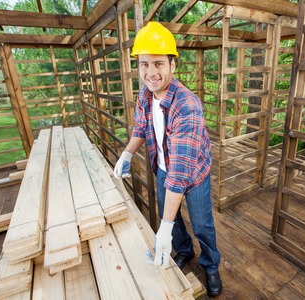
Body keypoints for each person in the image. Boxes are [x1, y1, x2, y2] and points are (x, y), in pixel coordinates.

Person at [114, 22, 222, 297]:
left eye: (158, 64)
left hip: (193, 172)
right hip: (163, 168)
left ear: (173, 65)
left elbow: (181, 171)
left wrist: (164, 225)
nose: (151, 73)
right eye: (144, 64)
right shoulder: (145, 95)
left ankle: (211, 266)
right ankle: (183, 250)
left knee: (201, 222)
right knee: (170, 220)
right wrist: (127, 152)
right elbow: (140, 127)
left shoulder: (186, 105)